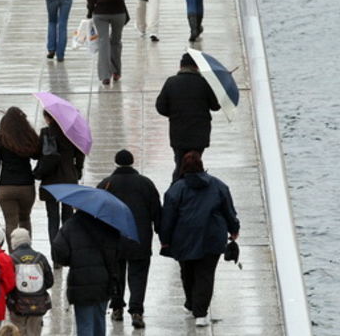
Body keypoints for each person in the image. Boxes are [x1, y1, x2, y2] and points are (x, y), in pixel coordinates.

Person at [159, 151, 240, 327]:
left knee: (187, 272)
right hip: (212, 237)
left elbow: (168, 217)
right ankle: (201, 312)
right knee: (205, 274)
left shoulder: (176, 189)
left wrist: (164, 238)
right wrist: (234, 229)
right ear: (202, 166)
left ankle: (191, 303)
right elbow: (229, 210)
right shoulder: (218, 186)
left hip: (183, 238)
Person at [97, 150, 161, 328]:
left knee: (115, 274)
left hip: (113, 239)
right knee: (138, 275)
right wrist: (163, 234)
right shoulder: (145, 184)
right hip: (139, 238)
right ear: (133, 162)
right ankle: (137, 311)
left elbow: (97, 213)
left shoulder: (106, 184)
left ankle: (117, 308)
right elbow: (156, 210)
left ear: (115, 163)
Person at [52, 209, 120, 336]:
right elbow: (116, 251)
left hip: (80, 283)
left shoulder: (70, 225)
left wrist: (71, 260)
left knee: (85, 324)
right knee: (99, 321)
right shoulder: (106, 225)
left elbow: (58, 251)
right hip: (103, 281)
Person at [155, 53, 220, 182]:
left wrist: (174, 114)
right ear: (196, 66)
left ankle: (177, 190)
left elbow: (160, 107)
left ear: (180, 66)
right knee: (195, 162)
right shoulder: (204, 83)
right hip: (200, 134)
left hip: (179, 133)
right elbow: (215, 106)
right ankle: (197, 190)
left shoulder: (171, 82)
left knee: (180, 163)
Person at [35, 110, 85, 264]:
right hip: (69, 179)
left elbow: (38, 154)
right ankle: (69, 251)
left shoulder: (45, 132)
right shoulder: (72, 133)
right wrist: (78, 169)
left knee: (53, 218)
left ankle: (56, 256)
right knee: (68, 217)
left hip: (51, 180)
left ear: (48, 117)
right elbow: (80, 153)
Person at [0, 107, 39, 245]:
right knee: (25, 219)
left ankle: (13, 258)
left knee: (10, 223)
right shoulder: (27, 138)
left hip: (6, 188)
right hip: (27, 187)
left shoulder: (0, 139)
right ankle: (26, 253)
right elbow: (37, 155)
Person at [7, 228, 53, 336]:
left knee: (18, 332)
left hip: (17, 304)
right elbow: (50, 281)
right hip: (37, 305)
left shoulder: (11, 259)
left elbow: (8, 283)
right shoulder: (40, 258)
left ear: (14, 242)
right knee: (34, 332)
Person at [85, 0, 128, 86]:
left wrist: (90, 11)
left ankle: (105, 76)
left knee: (103, 42)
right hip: (118, 11)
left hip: (101, 12)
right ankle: (116, 72)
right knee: (116, 41)